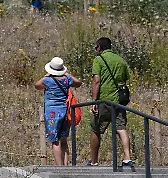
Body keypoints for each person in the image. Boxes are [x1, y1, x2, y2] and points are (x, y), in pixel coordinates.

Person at [88, 37, 133, 167]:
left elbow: (96, 80)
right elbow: (126, 78)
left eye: (96, 48)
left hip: (104, 99)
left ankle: (94, 161)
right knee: (121, 128)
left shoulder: (98, 59)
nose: (96, 50)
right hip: (119, 100)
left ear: (100, 47)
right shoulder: (121, 60)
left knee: (96, 129)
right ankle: (127, 158)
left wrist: (94, 101)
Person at [35, 57, 82, 166]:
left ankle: (59, 166)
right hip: (65, 110)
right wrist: (68, 74)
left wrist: (45, 76)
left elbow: (37, 85)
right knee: (64, 139)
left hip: (52, 112)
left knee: (55, 140)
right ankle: (65, 164)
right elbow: (78, 83)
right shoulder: (66, 79)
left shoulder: (47, 80)